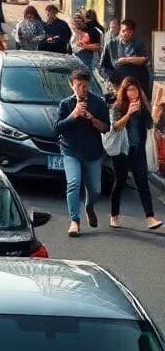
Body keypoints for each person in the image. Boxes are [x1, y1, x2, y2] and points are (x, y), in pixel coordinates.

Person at [54, 68, 110, 237]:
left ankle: (89, 206)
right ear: (72, 86)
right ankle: (74, 221)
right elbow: (56, 128)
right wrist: (73, 115)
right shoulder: (66, 104)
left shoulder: (98, 102)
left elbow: (106, 128)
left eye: (84, 86)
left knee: (96, 189)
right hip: (70, 150)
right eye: (78, 86)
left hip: (92, 151)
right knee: (73, 183)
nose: (81, 89)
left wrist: (92, 119)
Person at [105, 76, 163, 231]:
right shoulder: (118, 107)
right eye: (130, 90)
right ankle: (114, 215)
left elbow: (150, 125)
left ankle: (150, 218)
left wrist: (147, 105)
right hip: (122, 152)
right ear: (124, 92)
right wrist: (129, 113)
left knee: (143, 183)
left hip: (138, 150)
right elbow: (115, 127)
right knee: (120, 183)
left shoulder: (142, 108)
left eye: (136, 89)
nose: (133, 93)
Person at [100, 17, 151, 95]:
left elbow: (144, 59)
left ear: (132, 32)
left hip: (136, 82)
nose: (126, 33)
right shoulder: (111, 44)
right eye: (124, 31)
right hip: (118, 82)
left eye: (129, 31)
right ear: (120, 30)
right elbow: (103, 65)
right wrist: (111, 78)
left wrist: (125, 60)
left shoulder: (138, 43)